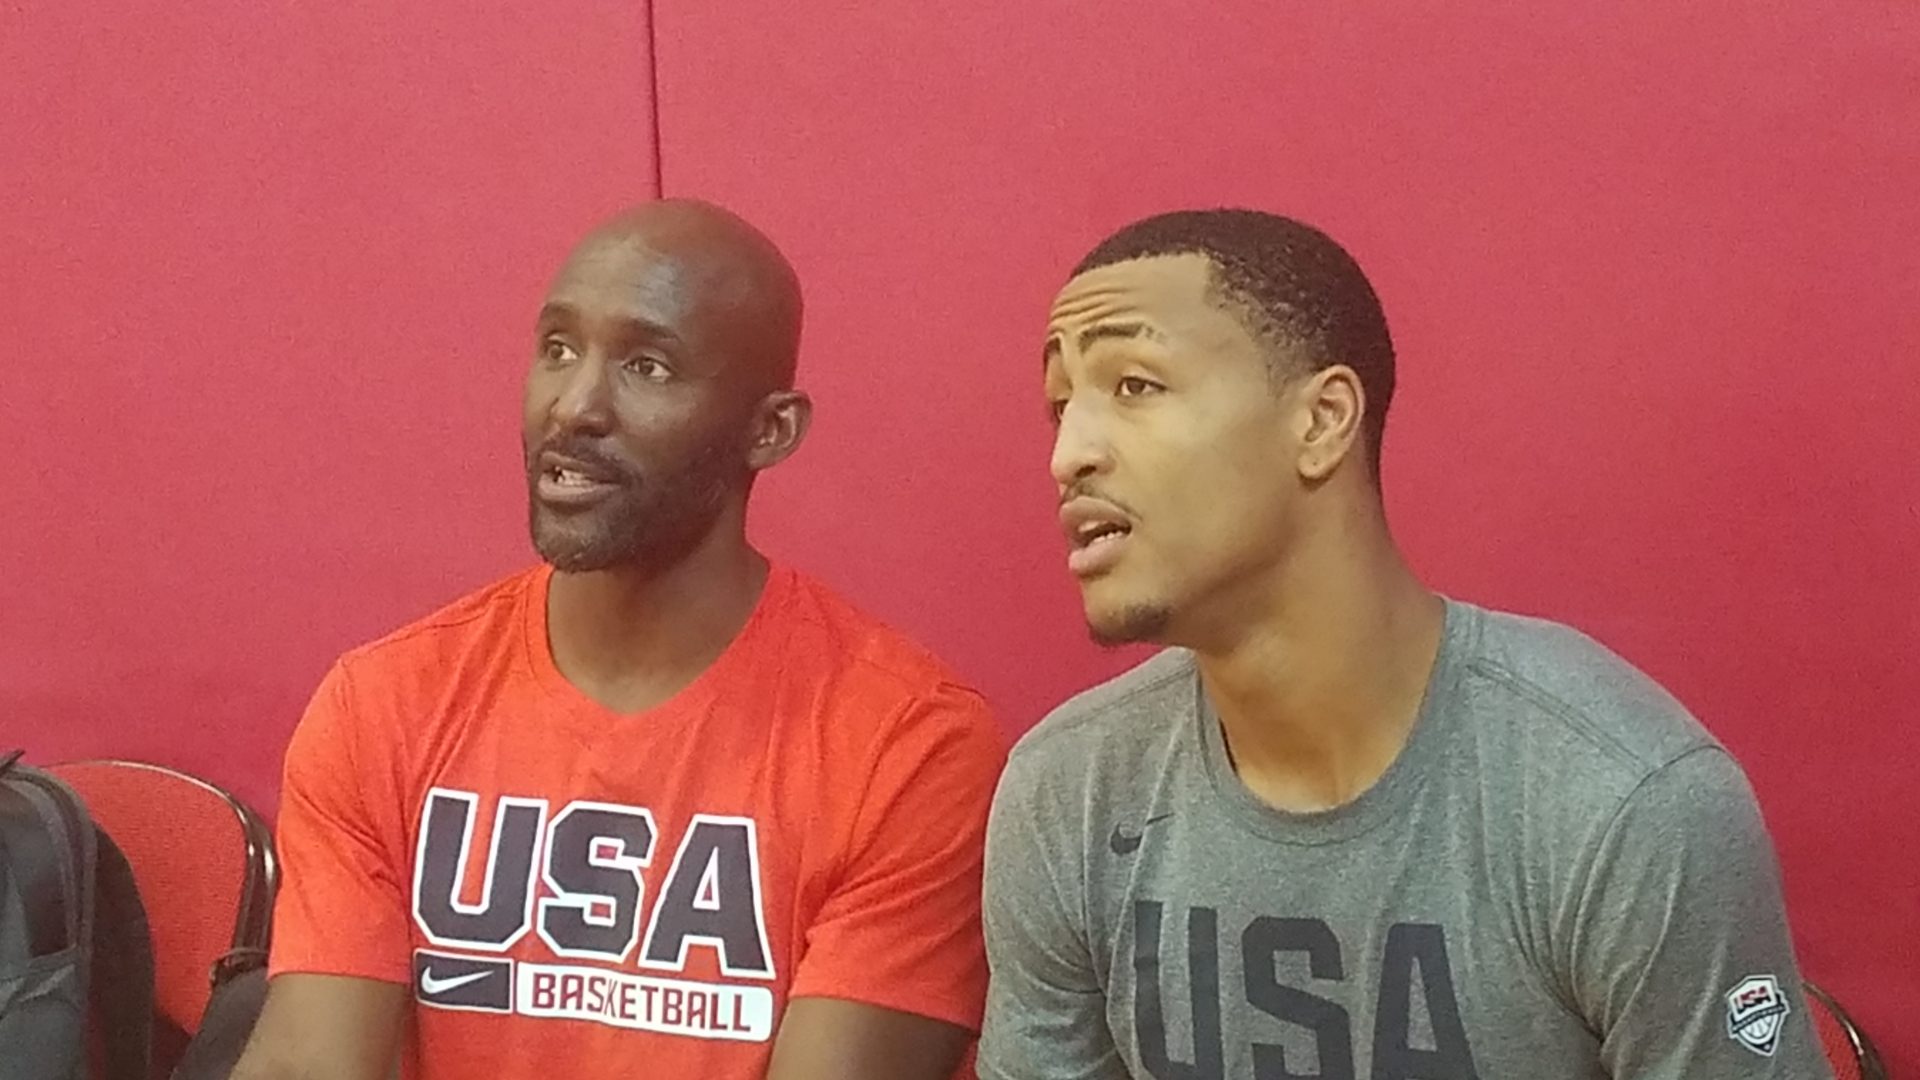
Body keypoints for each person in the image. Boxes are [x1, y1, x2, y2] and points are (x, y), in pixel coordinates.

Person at [979, 209, 1830, 1079]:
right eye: (1059, 408)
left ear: (1321, 421)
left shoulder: (1619, 802)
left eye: (1134, 386)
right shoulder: (1069, 797)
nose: (1068, 455)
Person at [233, 199, 1004, 1080]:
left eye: (647, 365)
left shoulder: (908, 745)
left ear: (770, 430)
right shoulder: (385, 705)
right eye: (558, 349)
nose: (575, 406)